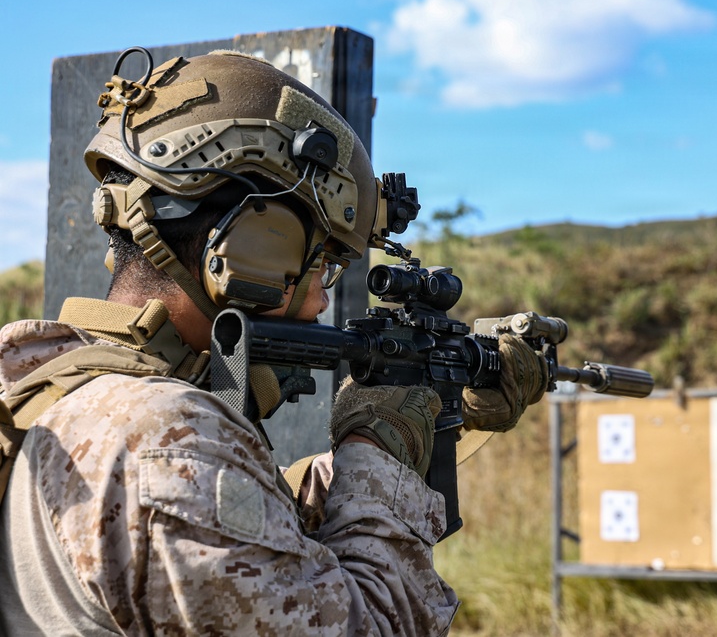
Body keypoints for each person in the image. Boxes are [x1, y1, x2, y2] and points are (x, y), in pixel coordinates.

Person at [0, 48, 547, 635]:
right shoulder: (164, 436)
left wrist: (427, 419)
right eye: (322, 265)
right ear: (253, 246)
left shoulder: (46, 376)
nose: (319, 304)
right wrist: (378, 448)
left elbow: (254, 526)